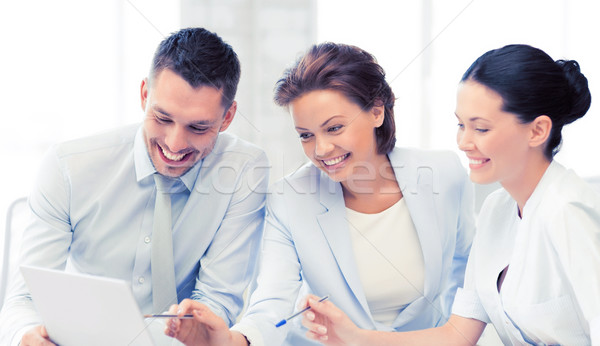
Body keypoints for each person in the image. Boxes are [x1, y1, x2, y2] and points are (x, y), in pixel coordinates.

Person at [164, 42, 476, 345]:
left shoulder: (443, 174)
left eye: (335, 128)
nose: (322, 149)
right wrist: (235, 341)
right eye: (306, 136)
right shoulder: (289, 199)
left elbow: (466, 274)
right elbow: (273, 300)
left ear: (377, 111)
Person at [300, 44, 600, 345]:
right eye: (461, 125)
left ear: (537, 131)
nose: (464, 142)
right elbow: (458, 335)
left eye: (480, 129)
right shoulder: (498, 210)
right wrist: (355, 337)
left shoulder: (568, 210)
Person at [0, 27, 269, 345]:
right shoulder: (68, 166)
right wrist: (25, 337)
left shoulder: (244, 170)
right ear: (144, 95)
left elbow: (215, 305)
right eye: (163, 118)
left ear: (227, 118)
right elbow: (24, 301)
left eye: (198, 127)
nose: (175, 144)